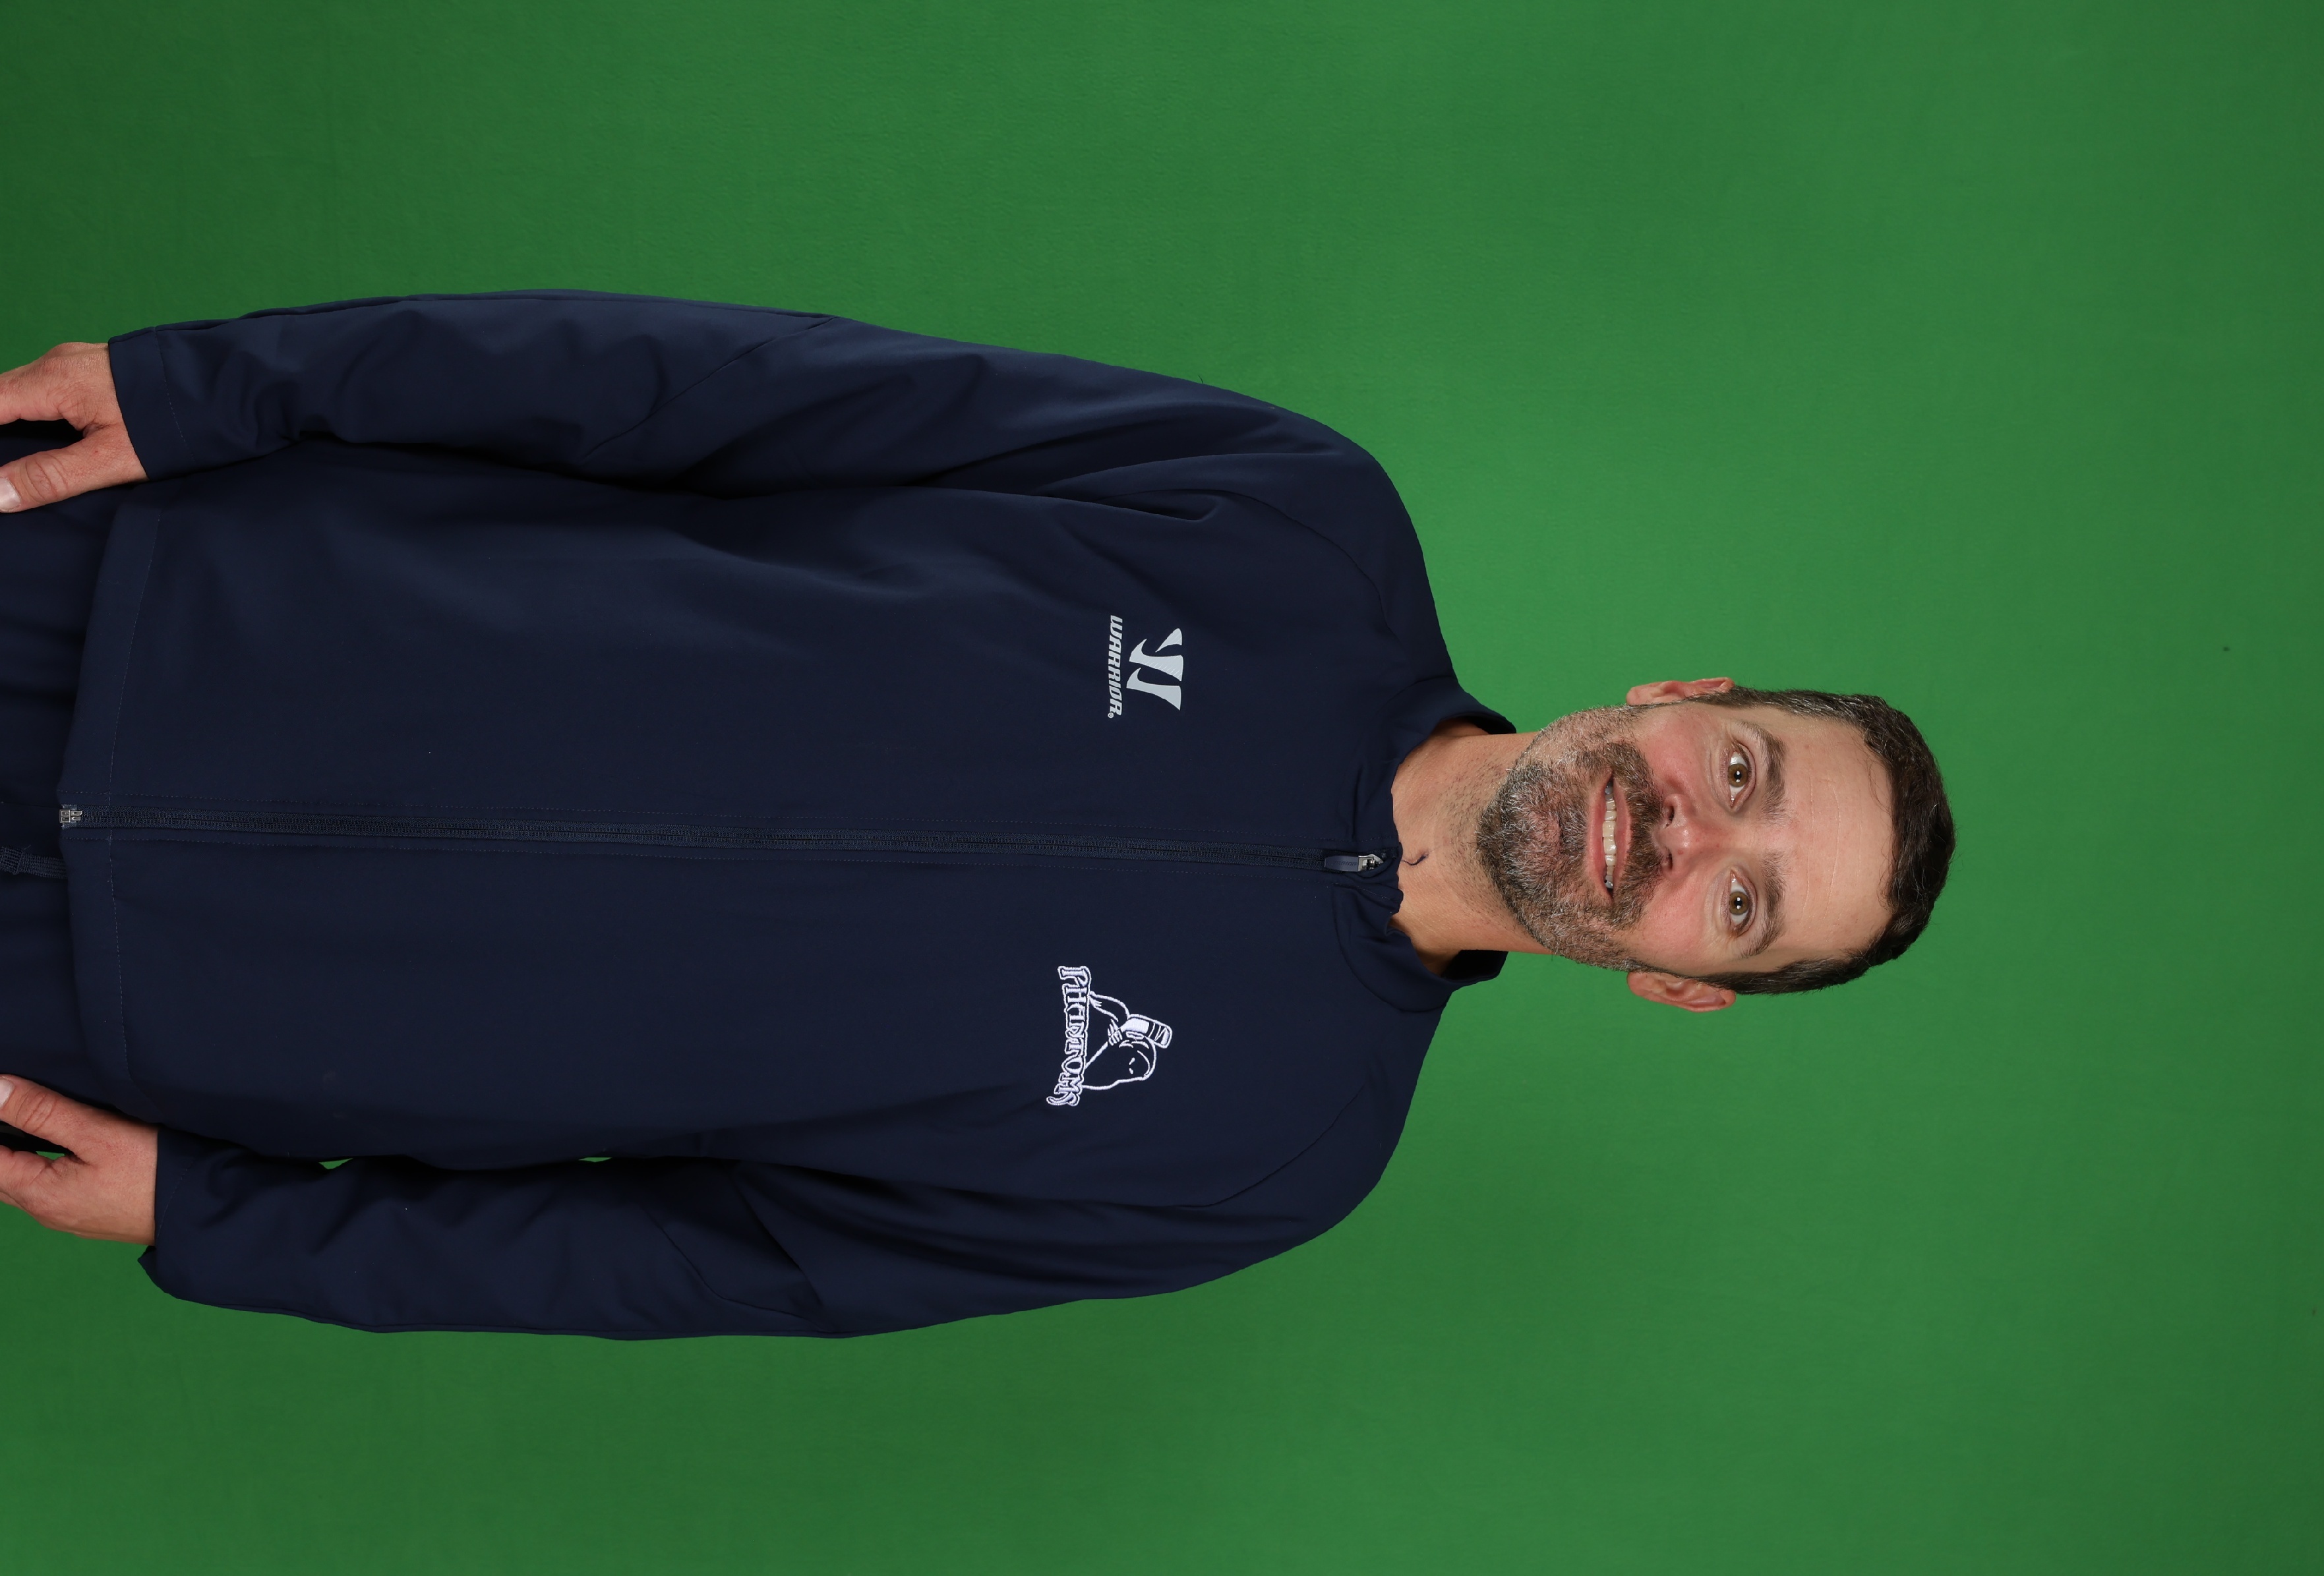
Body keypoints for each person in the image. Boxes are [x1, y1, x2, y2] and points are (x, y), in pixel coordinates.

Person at [0, 293, 1953, 1337]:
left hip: (146, 1006)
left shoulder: (1268, 1163)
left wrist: (228, 1222)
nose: (1687, 840)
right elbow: (718, 390)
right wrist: (216, 390)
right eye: (1743, 776)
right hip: (156, 602)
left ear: (1684, 988)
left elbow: (713, 1264)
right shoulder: (1290, 519)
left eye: (1745, 906)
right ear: (1682, 697)